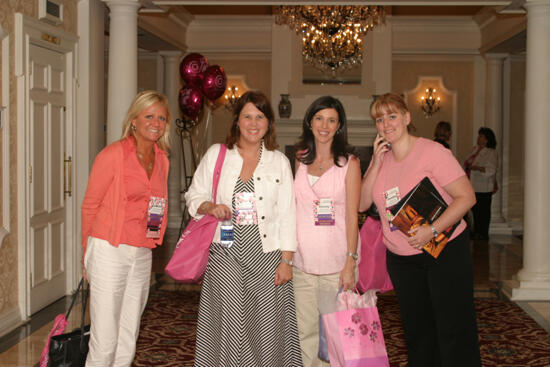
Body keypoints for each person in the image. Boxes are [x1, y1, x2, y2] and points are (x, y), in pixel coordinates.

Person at [359, 93, 481, 366]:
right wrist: (376, 164)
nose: (386, 124)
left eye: (392, 116)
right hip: (402, 261)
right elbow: (363, 203)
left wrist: (432, 230)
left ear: (406, 117)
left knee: (453, 329)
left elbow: (467, 198)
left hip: (443, 251)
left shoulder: (432, 152)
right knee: (418, 333)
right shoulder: (383, 159)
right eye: (380, 119)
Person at [185, 91, 302, 366]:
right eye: (247, 116)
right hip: (226, 254)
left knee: (265, 325)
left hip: (267, 257)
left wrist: (287, 261)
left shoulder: (279, 162)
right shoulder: (218, 155)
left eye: (259, 116)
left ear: (268, 122)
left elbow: (288, 214)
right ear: (236, 121)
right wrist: (209, 207)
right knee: (229, 324)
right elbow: (193, 196)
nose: (253, 123)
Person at [81, 90, 171, 366]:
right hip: (109, 249)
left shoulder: (162, 159)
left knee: (128, 337)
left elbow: (158, 204)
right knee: (105, 340)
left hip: (142, 253)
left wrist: (154, 235)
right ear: (134, 120)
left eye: (162, 118)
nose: (156, 123)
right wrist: (87, 258)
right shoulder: (113, 155)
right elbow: (90, 206)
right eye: (149, 116)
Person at [292, 96, 361, 366]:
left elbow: (353, 218)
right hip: (301, 264)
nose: (324, 125)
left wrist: (350, 263)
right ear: (310, 122)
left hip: (335, 266)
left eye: (331, 120)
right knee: (304, 333)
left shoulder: (349, 163)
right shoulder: (299, 159)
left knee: (333, 338)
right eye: (319, 118)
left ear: (339, 126)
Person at [464, 127, 498, 241]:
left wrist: (478, 168)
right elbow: (466, 162)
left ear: (487, 139)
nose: (479, 138)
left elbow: (491, 169)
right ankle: (475, 231)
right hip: (472, 185)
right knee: (474, 211)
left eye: (481, 136)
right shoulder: (474, 150)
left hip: (483, 187)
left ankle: (483, 233)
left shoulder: (491, 152)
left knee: (483, 212)